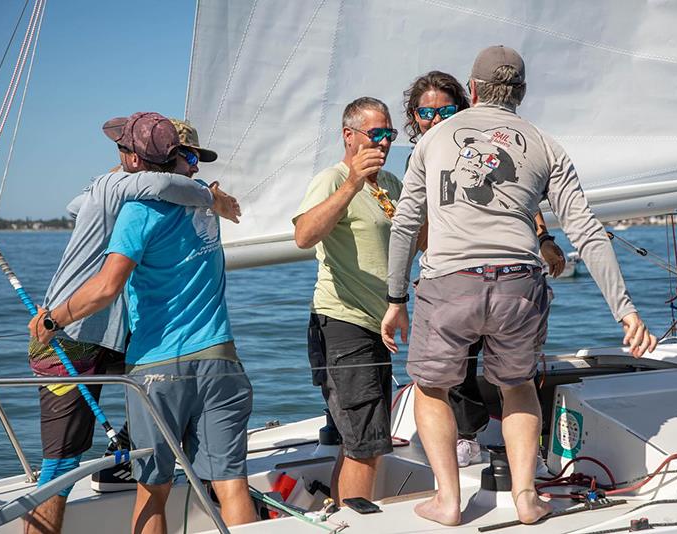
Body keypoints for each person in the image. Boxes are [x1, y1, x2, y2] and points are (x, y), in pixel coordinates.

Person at [382, 46, 657, 526]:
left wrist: (395, 299)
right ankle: (527, 498)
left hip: (450, 282)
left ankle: (448, 501)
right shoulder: (546, 143)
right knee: (518, 388)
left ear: (471, 91)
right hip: (518, 283)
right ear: (522, 94)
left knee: (430, 390)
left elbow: (405, 226)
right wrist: (625, 310)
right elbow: (586, 230)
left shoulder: (432, 140)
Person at [30, 113, 254, 533]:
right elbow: (169, 187)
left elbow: (107, 286)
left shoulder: (138, 211)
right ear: (177, 159)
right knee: (231, 486)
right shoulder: (207, 208)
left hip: (157, 368)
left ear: (134, 158)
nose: (196, 166)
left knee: (153, 491)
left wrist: (52, 320)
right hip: (220, 359)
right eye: (189, 156)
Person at [403, 70, 567, 467]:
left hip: (504, 270)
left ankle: (519, 451)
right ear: (414, 115)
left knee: (512, 365)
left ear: (466, 104)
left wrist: (544, 240)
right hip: (448, 271)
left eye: (446, 109)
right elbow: (411, 222)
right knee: (452, 366)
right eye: (426, 112)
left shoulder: (477, 142)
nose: (436, 118)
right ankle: (465, 435)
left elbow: (517, 199)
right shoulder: (424, 154)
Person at [292, 96, 401, 504]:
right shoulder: (333, 179)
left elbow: (418, 240)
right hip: (342, 324)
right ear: (348, 135)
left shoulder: (389, 184)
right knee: (367, 445)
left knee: (361, 441)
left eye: (389, 134)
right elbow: (304, 236)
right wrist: (354, 182)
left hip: (379, 325)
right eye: (376, 135)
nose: (384, 143)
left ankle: (340, 517)